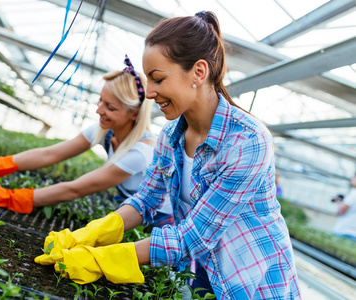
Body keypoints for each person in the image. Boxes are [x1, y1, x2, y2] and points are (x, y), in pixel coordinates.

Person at [34, 11, 301, 299]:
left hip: (252, 283)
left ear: (199, 72)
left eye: (158, 79)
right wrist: (96, 231)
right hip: (200, 271)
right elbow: (146, 200)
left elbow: (194, 237)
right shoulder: (170, 136)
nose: (149, 93)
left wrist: (106, 258)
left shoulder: (247, 140)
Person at [0, 55, 173, 226]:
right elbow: (50, 154)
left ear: (134, 114)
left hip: (157, 222)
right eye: (101, 100)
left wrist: (13, 198)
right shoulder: (105, 131)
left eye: (110, 107)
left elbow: (75, 189)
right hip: (130, 207)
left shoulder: (140, 153)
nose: (99, 110)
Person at [332, 174, 356, 241]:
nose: (352, 180)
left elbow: (341, 211)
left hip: (343, 230)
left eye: (354, 178)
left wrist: (339, 202)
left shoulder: (354, 193)